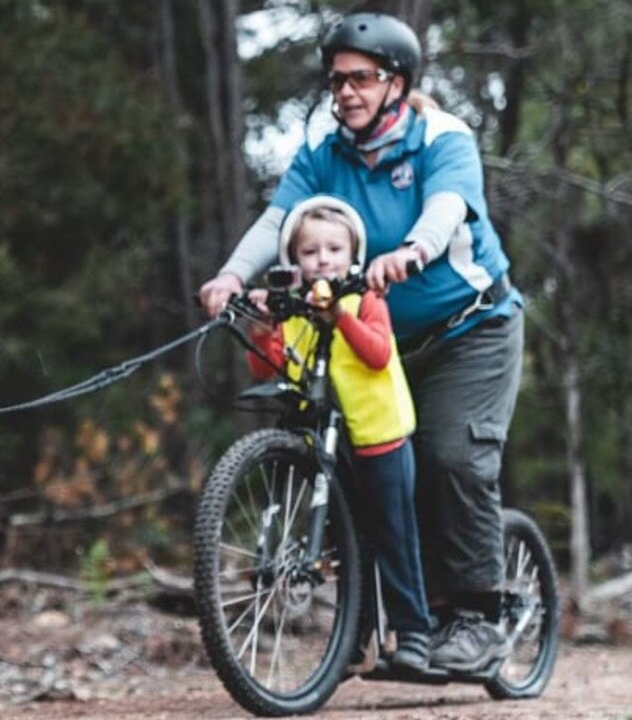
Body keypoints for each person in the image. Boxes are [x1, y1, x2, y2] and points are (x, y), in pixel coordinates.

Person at [199, 12, 523, 673]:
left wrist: (412, 252)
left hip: (471, 328)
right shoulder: (325, 154)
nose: (346, 91)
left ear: (398, 83)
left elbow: (449, 207)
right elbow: (277, 220)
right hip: (378, 339)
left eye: (363, 78)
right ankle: (368, 625)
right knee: (351, 466)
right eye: (337, 80)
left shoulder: (441, 137)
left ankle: (480, 615)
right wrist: (233, 274)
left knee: (452, 457)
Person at [245, 196, 431, 672]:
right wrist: (266, 323)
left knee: (393, 535)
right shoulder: (296, 310)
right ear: (294, 260)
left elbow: (376, 353)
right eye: (309, 252)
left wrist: (340, 317)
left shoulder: (365, 297)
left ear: (353, 254)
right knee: (348, 544)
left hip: (379, 435)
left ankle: (413, 635)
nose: (322, 259)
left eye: (333, 249)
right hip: (328, 443)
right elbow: (269, 366)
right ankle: (356, 638)